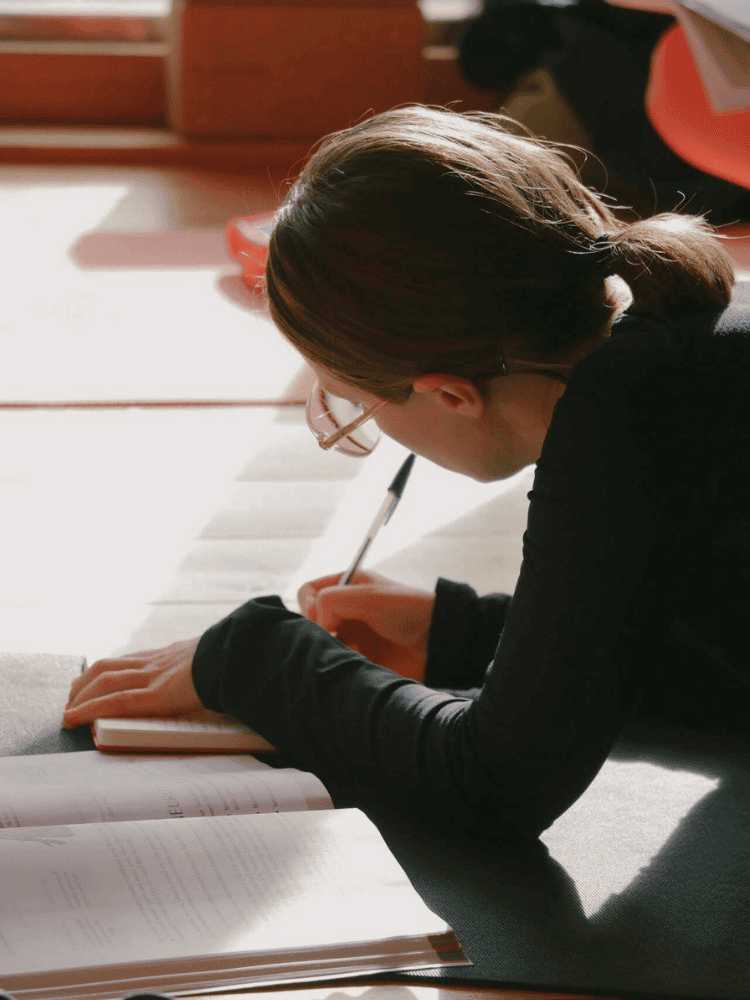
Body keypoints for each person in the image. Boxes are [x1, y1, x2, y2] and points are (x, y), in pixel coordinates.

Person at [64, 106, 749, 838]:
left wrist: (257, 659)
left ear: (449, 392)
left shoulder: (615, 421)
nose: (370, 425)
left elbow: (492, 783)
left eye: (357, 405)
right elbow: (723, 660)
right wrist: (464, 633)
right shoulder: (692, 331)